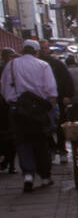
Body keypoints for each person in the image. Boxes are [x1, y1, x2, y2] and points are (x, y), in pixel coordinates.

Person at [0, 40, 58, 191]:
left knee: (22, 142)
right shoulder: (43, 65)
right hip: (37, 110)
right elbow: (51, 90)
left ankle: (28, 175)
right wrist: (50, 107)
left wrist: (12, 102)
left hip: (17, 109)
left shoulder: (10, 65)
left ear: (22, 50)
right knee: (40, 143)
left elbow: (4, 88)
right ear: (36, 52)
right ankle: (45, 176)